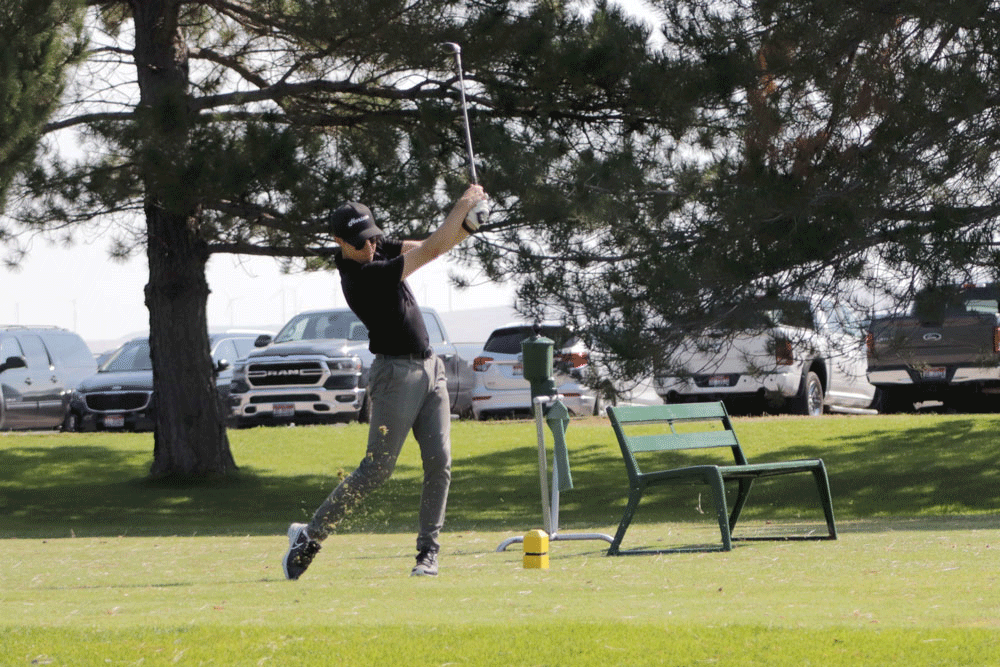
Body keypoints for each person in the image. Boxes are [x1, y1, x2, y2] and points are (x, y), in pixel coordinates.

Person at [282, 184, 489, 579]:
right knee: (376, 470)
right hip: (395, 376)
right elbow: (430, 251)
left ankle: (428, 552)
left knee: (440, 464)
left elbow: (434, 243)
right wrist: (464, 203)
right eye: (360, 243)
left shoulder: (375, 247)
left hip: (431, 370)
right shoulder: (362, 276)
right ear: (339, 242)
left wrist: (471, 224)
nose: (370, 248)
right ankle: (311, 536)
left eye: (373, 238)